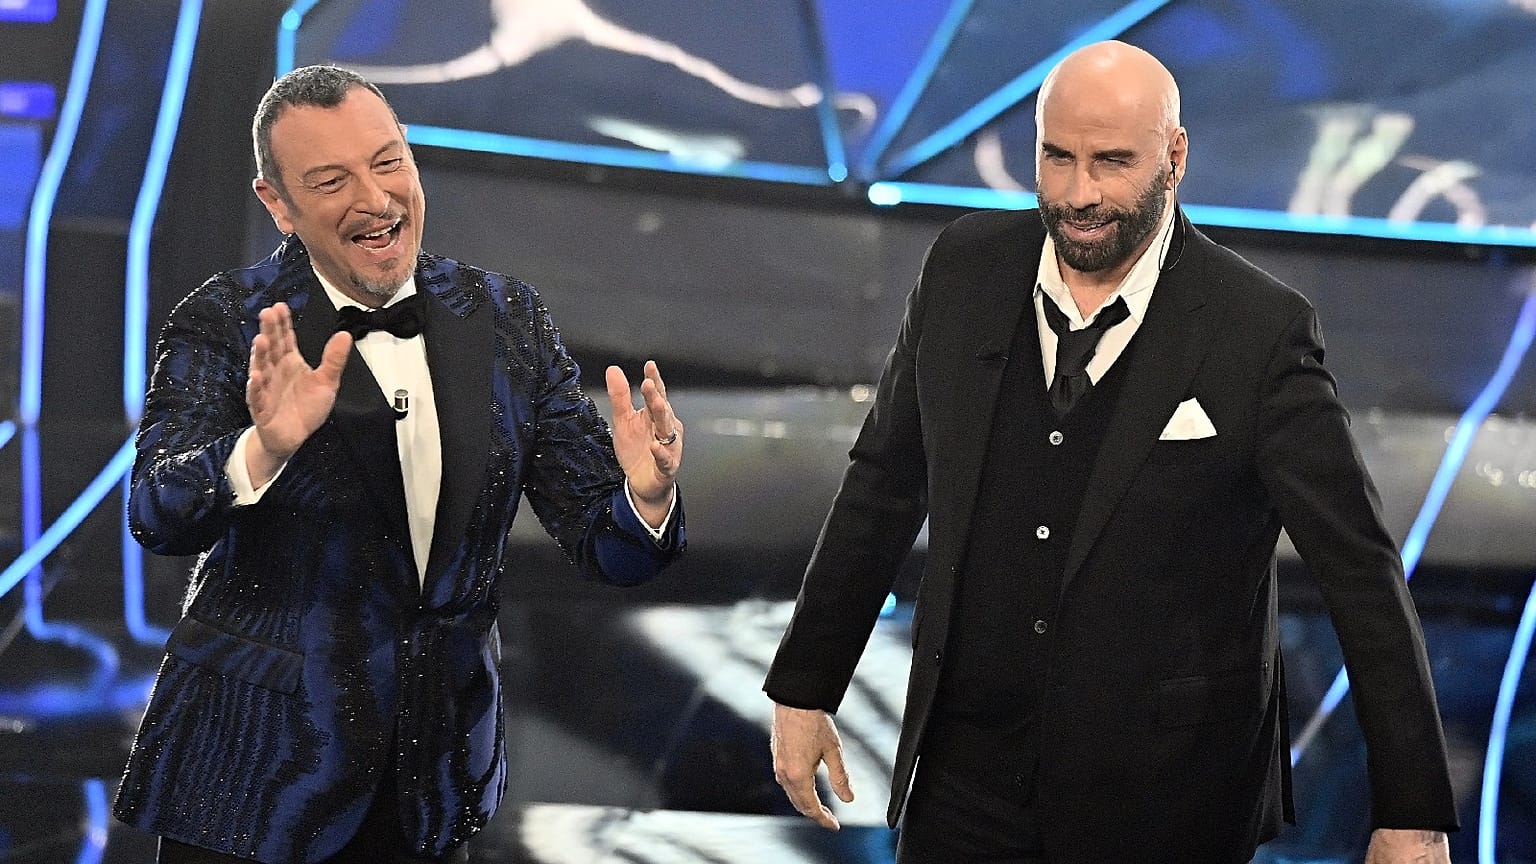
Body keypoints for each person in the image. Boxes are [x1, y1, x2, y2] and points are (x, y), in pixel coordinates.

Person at [764, 41, 1457, 864]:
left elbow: (1360, 571)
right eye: (1057, 158)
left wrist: (1411, 808)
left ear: (1176, 156)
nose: (1078, 193)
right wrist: (806, 686)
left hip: (1170, 799)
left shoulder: (1257, 331)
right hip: (964, 781)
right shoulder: (963, 271)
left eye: (1111, 162)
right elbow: (882, 484)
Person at [112, 65, 686, 864]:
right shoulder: (227, 321)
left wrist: (645, 496)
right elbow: (156, 511)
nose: (375, 200)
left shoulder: (505, 318)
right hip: (255, 780)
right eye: (331, 180)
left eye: (388, 163)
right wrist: (263, 447)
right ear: (277, 204)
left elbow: (610, 546)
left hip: (436, 782)